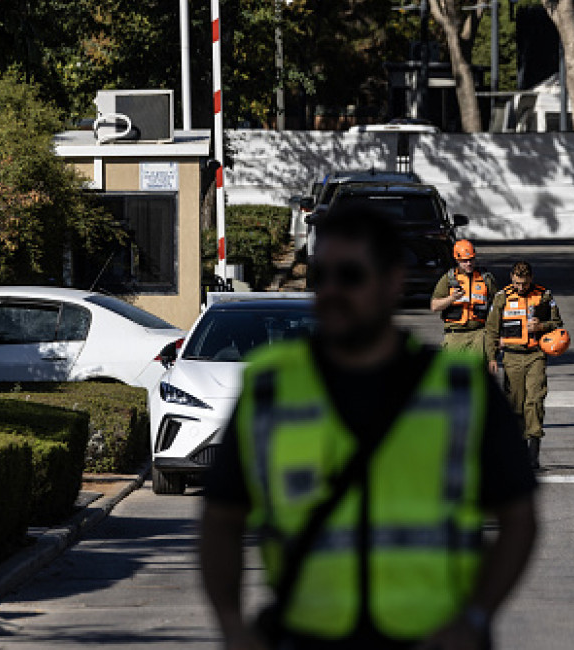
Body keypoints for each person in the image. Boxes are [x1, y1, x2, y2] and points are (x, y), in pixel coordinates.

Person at [199, 201, 538, 650]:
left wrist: (475, 617)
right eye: (324, 276)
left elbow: (519, 520)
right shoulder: (270, 388)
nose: (334, 290)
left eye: (352, 276)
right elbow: (221, 521)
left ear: (393, 281)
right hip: (307, 638)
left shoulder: (462, 391)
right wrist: (232, 628)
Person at [484, 261, 563, 469]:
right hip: (511, 357)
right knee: (515, 405)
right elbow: (491, 330)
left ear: (531, 279)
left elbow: (558, 324)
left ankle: (533, 453)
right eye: (518, 283)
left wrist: (542, 325)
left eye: (525, 284)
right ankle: (516, 451)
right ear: (512, 278)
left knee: (535, 401)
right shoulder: (502, 298)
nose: (521, 288)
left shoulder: (544, 295)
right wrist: (492, 358)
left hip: (536, 355)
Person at [431, 239, 497, 355]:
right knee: (455, 370)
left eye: (471, 259)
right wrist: (451, 298)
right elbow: (434, 306)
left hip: (479, 334)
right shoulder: (448, 279)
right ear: (457, 260)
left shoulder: (486, 279)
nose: (469, 264)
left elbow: (498, 306)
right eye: (464, 261)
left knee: (479, 370)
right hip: (455, 334)